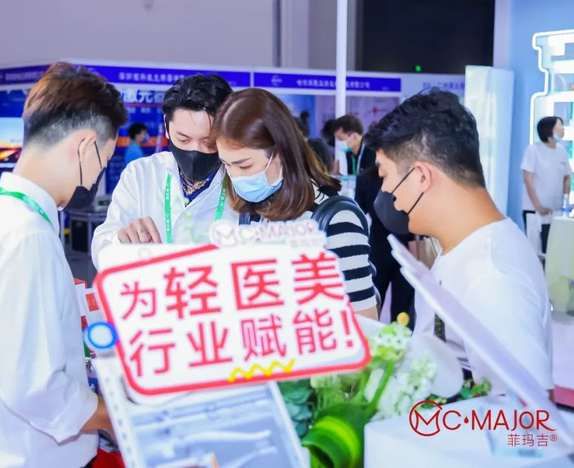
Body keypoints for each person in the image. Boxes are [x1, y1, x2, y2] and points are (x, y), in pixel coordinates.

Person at [0, 63, 128, 468]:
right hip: (28, 457)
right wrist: (113, 416)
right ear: (85, 146)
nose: (98, 176)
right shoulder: (28, 236)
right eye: (103, 161)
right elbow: (36, 389)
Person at [366, 89, 553, 395]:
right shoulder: (463, 247)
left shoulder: (490, 280)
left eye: (384, 176)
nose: (384, 191)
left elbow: (525, 415)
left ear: (421, 177)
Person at [213, 88, 378, 320]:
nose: (235, 176)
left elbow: (364, 322)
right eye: (226, 165)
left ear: (280, 153)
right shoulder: (254, 212)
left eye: (244, 166)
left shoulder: (336, 219)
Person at [91, 74, 237, 262]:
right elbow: (101, 249)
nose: (195, 151)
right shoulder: (141, 174)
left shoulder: (241, 181)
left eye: (208, 142)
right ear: (167, 128)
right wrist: (121, 241)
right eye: (183, 140)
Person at [354, 164, 415, 328]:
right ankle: (400, 340)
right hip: (406, 247)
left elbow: (359, 213)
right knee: (403, 308)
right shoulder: (407, 176)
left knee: (373, 302)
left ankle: (371, 339)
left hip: (378, 248)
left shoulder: (365, 178)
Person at [521, 116, 573, 253]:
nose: (563, 129)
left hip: (556, 212)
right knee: (536, 251)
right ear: (549, 129)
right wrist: (538, 206)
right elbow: (528, 180)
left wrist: (565, 203)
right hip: (535, 211)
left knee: (554, 251)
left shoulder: (561, 150)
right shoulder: (533, 150)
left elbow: (567, 177)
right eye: (560, 125)